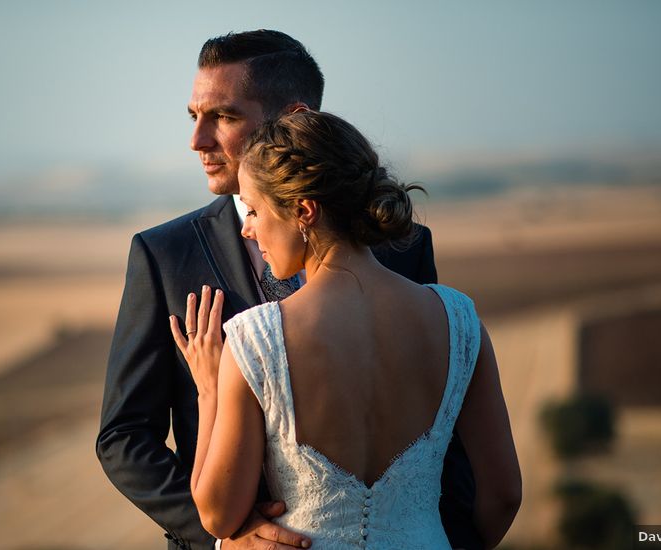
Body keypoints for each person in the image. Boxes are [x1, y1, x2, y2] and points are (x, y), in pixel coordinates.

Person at [97, 30, 480, 550]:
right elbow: (123, 437)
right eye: (194, 116)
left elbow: (449, 431)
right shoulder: (164, 255)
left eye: (224, 117)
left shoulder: (403, 248)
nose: (198, 140)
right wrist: (225, 536)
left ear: (294, 118)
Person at [173, 111, 521, 549]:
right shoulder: (459, 321)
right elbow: (505, 494)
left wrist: (210, 393)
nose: (247, 227)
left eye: (256, 210)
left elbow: (218, 515)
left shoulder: (256, 338)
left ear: (304, 211)